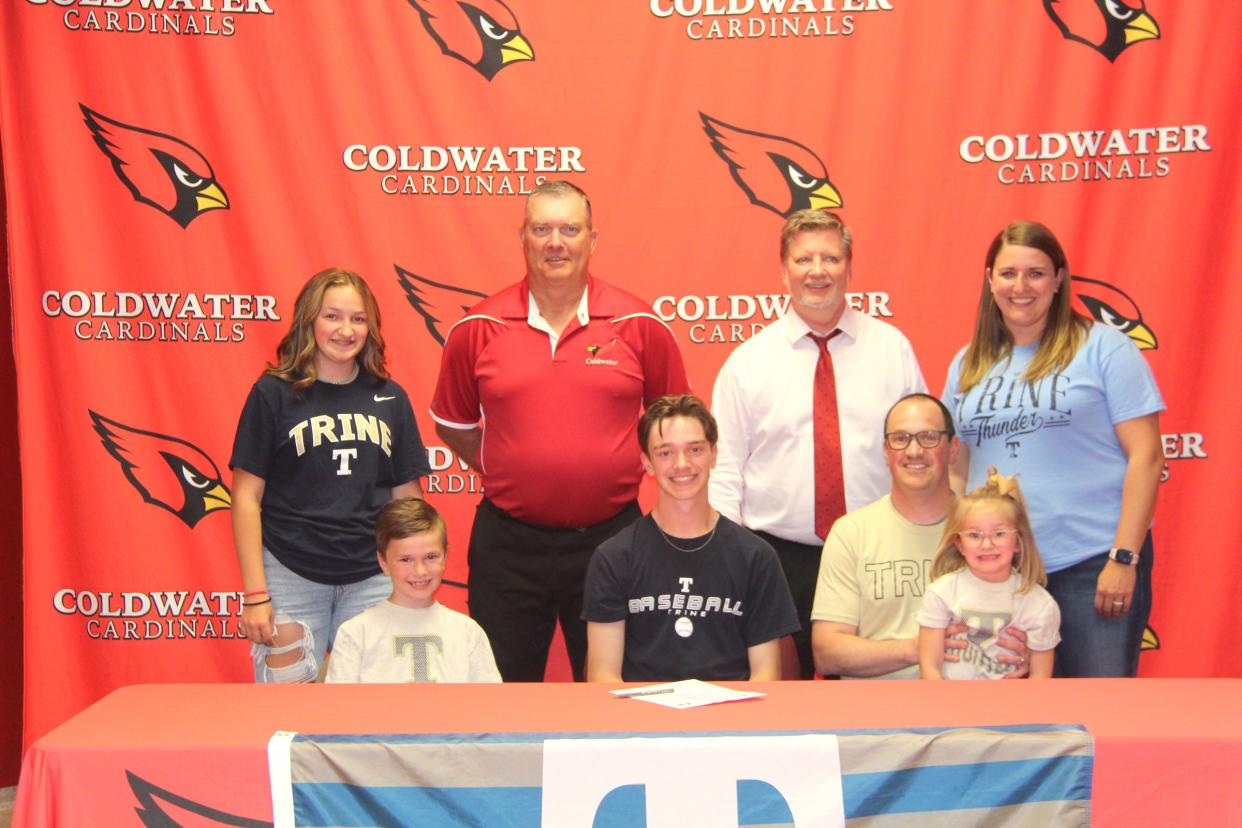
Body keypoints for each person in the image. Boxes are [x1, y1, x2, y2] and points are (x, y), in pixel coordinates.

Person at [430, 180, 690, 682]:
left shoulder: (639, 323)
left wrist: (605, 466)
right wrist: (514, 467)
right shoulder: (478, 327)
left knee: (617, 696)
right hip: (508, 546)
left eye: (570, 229)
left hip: (613, 540)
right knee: (502, 696)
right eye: (542, 229)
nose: (556, 242)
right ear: (522, 238)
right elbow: (455, 425)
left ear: (592, 240)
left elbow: (673, 426)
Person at [943, 221, 1164, 678]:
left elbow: (1147, 456)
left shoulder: (1104, 348)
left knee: (1098, 716)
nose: (1020, 287)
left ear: (1059, 279)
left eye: (1035, 273)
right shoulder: (968, 364)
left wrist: (1123, 558)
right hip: (1003, 573)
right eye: (1008, 274)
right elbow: (956, 469)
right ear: (989, 280)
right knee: (1012, 723)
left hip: (1092, 564)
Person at [711, 209, 926, 678]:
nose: (817, 271)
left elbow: (922, 454)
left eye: (830, 257)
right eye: (804, 258)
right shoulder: (748, 364)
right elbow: (724, 472)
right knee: (780, 708)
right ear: (783, 269)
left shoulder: (892, 350)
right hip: (777, 559)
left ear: (850, 267)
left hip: (877, 552)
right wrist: (729, 564)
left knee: (875, 700)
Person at [231, 268, 431, 683]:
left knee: (371, 720)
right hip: (290, 573)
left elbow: (408, 502)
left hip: (372, 577)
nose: (345, 330)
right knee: (285, 717)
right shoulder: (272, 393)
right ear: (310, 321)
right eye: (332, 316)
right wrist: (255, 594)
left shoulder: (390, 397)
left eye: (358, 319)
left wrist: (411, 574)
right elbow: (246, 496)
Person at [810, 393, 1030, 679]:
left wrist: (1028, 656)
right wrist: (922, 648)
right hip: (876, 714)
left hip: (973, 708)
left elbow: (1030, 626)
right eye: (900, 438)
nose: (914, 450)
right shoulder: (851, 533)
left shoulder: (992, 530)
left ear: (953, 449)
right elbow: (827, 652)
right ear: (886, 451)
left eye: (928, 437)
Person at [582, 395, 799, 682]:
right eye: (665, 453)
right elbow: (602, 678)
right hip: (641, 722)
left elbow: (766, 677)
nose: (682, 464)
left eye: (694, 449)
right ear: (647, 463)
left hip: (731, 721)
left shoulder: (756, 557)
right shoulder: (614, 557)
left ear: (714, 455)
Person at [326, 498, 501, 683]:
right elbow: (340, 708)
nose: (420, 571)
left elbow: (490, 705)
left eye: (431, 557)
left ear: (445, 557)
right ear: (383, 562)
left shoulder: (468, 632)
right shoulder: (355, 633)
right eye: (406, 560)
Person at [918, 470, 1060, 680]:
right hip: (951, 707)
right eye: (974, 535)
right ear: (959, 544)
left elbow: (1040, 679)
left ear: (1019, 541)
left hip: (1010, 709)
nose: (987, 544)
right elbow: (929, 668)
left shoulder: (1040, 604)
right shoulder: (941, 592)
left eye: (999, 534)